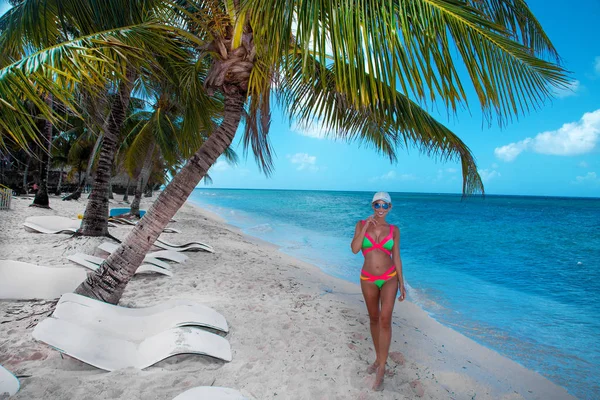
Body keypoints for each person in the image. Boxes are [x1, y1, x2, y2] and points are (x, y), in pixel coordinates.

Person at [351, 191, 405, 391]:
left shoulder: (394, 230)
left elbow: (397, 257)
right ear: (372, 206)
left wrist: (402, 282)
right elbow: (355, 249)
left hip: (390, 278)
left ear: (390, 208)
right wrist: (365, 227)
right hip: (368, 279)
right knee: (373, 318)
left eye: (385, 205)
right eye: (377, 205)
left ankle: (381, 367)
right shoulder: (360, 224)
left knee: (385, 319)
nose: (380, 209)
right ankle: (378, 357)